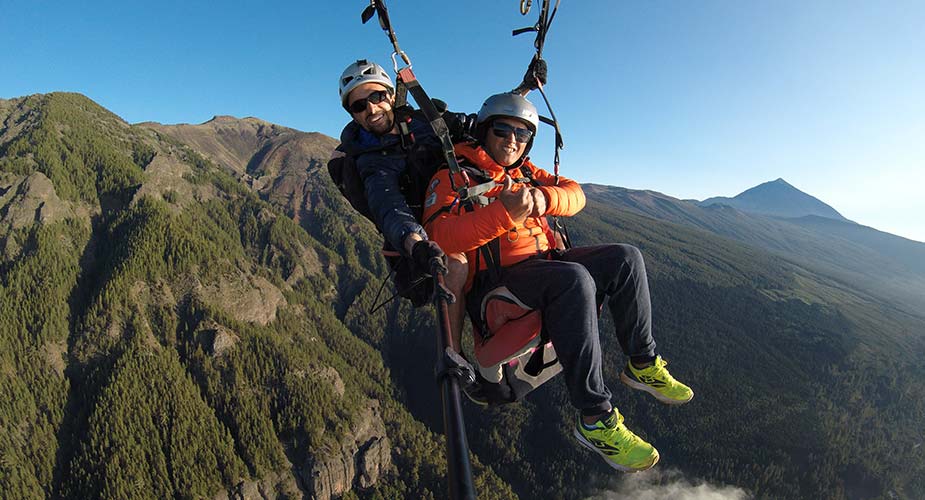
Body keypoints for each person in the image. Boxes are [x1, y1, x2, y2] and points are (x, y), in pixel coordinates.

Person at [422, 92, 694, 473]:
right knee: (574, 279)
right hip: (499, 286)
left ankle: (642, 363)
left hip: (546, 267)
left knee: (626, 258)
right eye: (503, 130)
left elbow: (575, 194)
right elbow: (440, 236)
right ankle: (595, 418)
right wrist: (504, 213)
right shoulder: (454, 176)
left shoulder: (527, 172)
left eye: (522, 134)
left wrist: (541, 198)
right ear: (485, 131)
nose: (512, 140)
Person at [335, 59, 469, 348]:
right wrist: (415, 243)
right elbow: (388, 205)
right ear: (352, 115)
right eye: (359, 106)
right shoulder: (370, 159)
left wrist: (524, 91)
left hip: (458, 214)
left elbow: (484, 127)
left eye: (377, 97)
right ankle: (456, 355)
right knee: (457, 269)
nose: (371, 109)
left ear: (391, 96)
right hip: (424, 243)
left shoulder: (425, 122)